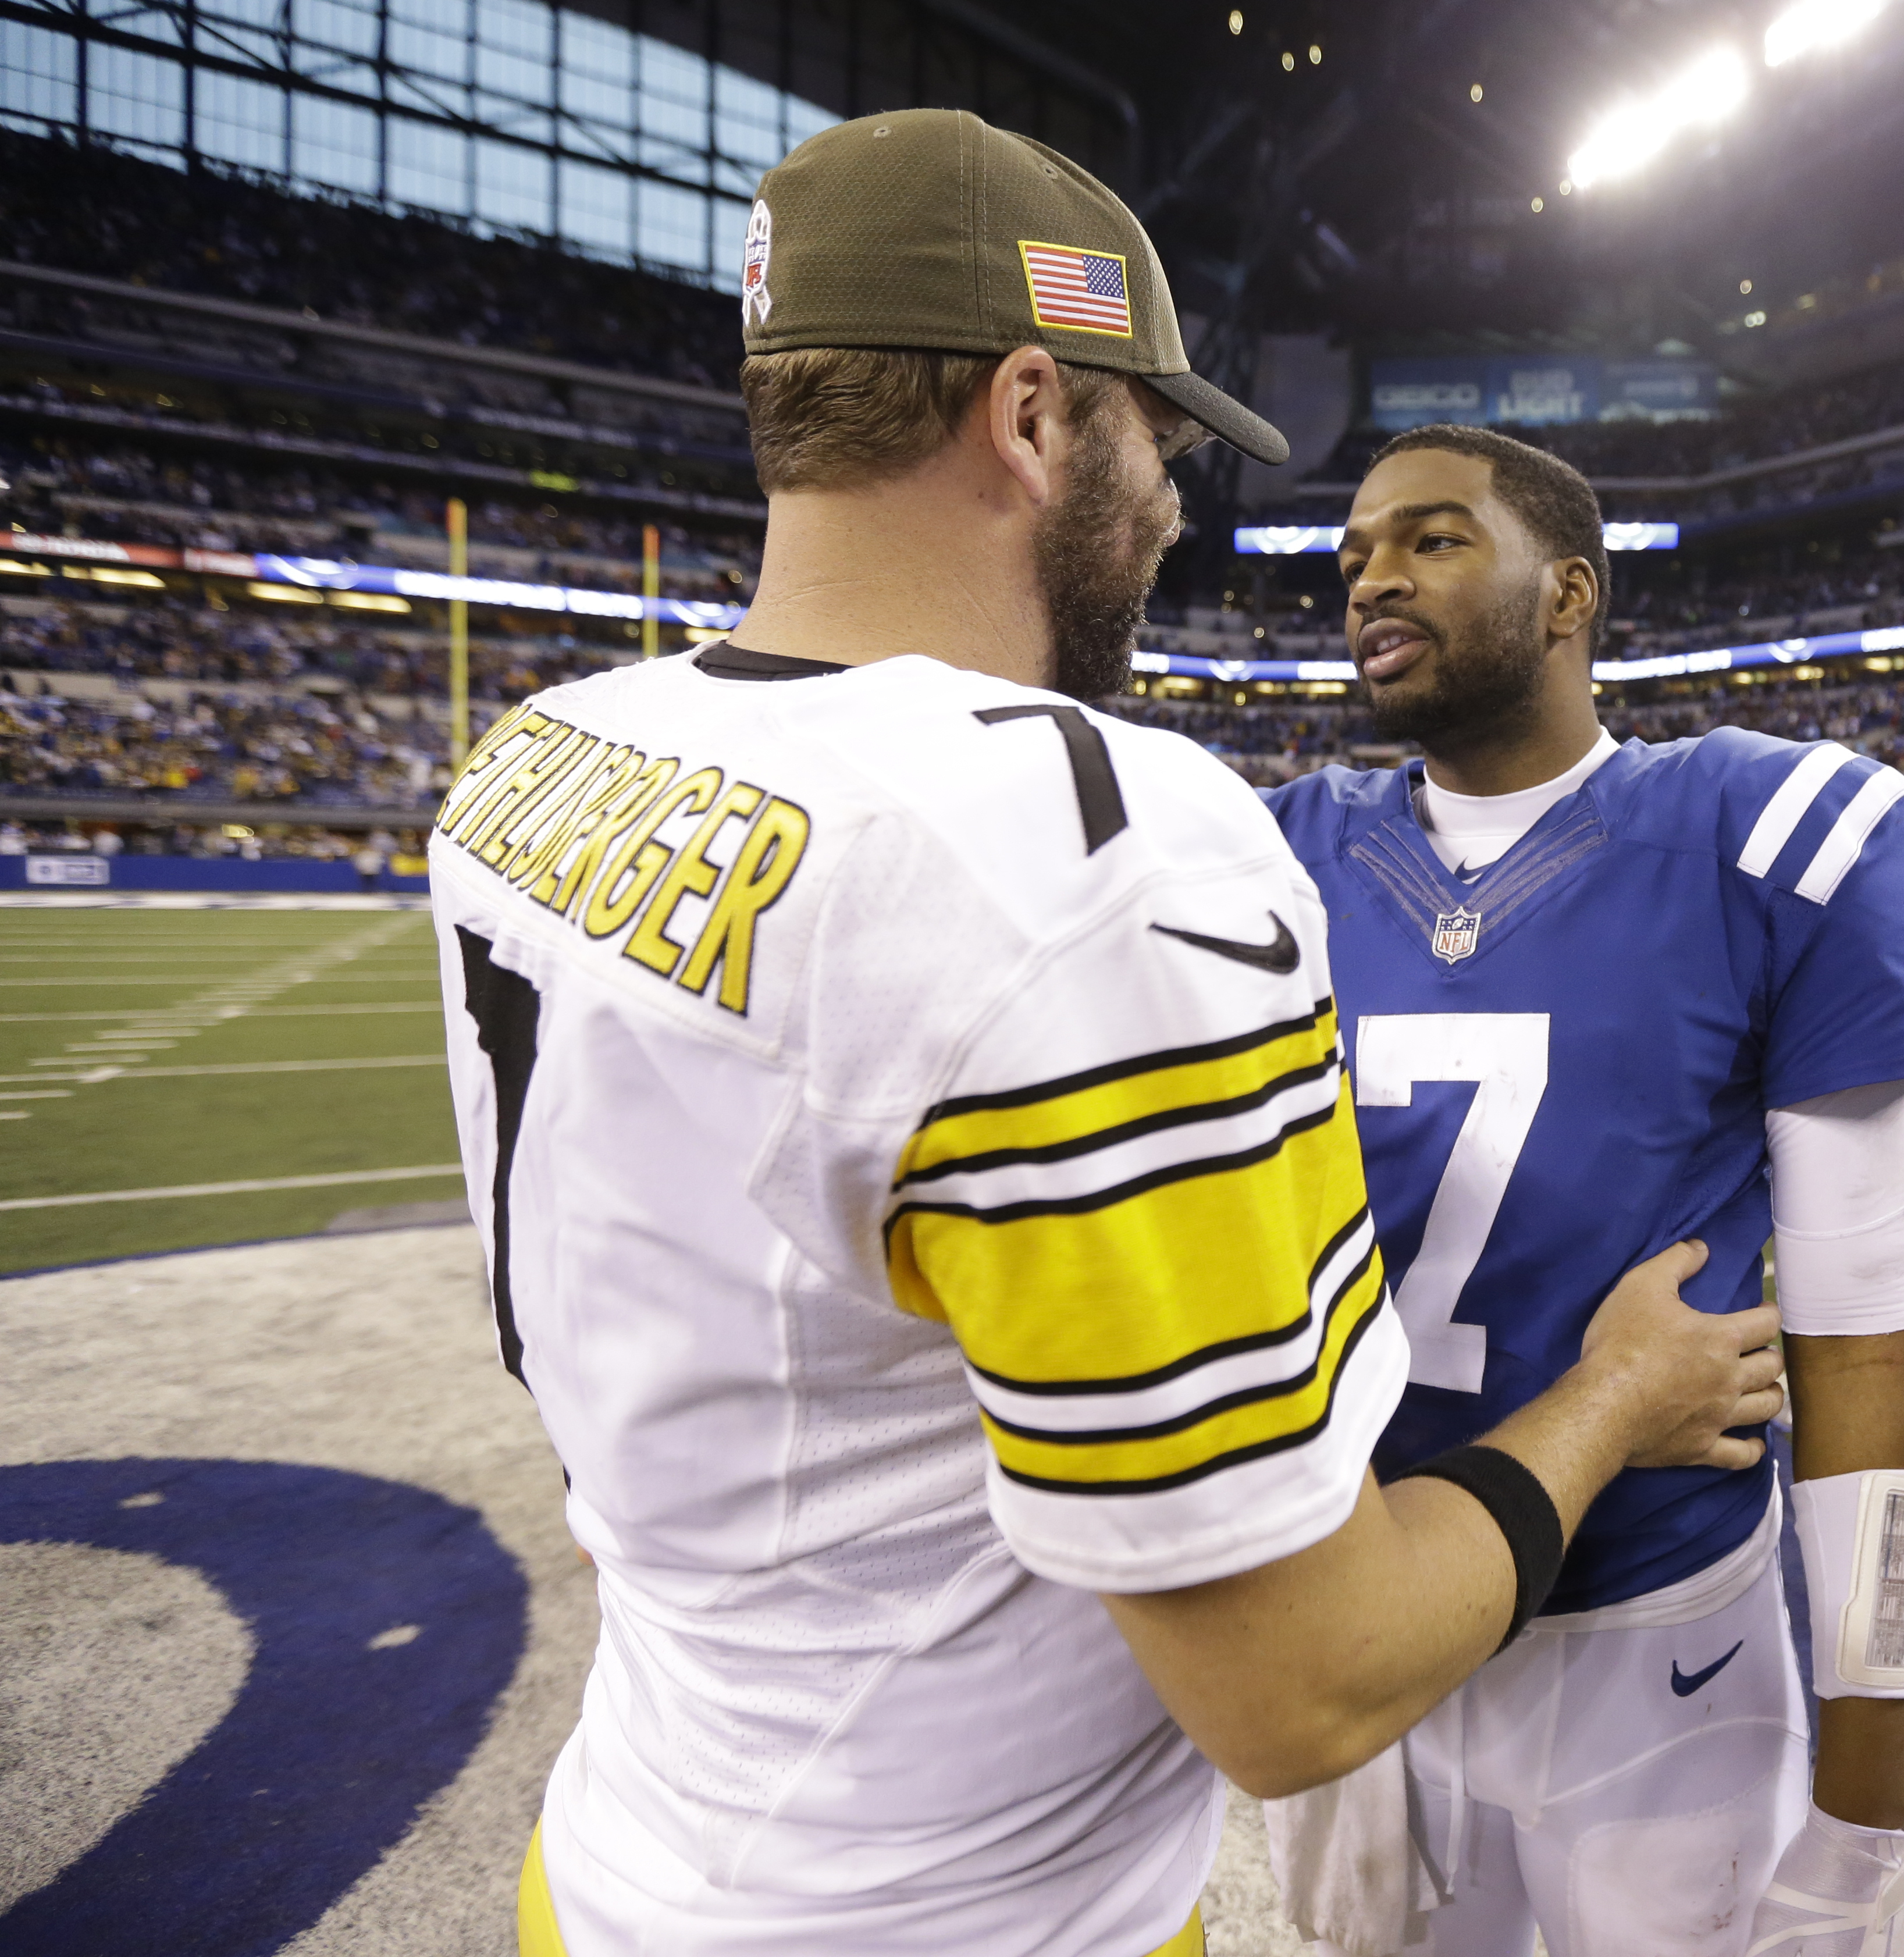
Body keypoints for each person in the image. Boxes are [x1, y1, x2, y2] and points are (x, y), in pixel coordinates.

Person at [436, 113, 1779, 1957]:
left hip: (617, 1863)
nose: (1169, 503)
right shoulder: (1082, 846)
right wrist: (1619, 1393)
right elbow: (1301, 1684)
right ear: (1029, 414)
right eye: (1150, 433)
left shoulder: (537, 757)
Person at [1264, 425, 1904, 1956]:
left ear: (1569, 592)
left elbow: (1864, 1363)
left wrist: (1864, 1813)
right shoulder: (1266, 860)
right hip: (1375, 1601)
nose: (1373, 574)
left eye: (1433, 538)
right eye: (1354, 555)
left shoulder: (1769, 832)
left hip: (1657, 1642)